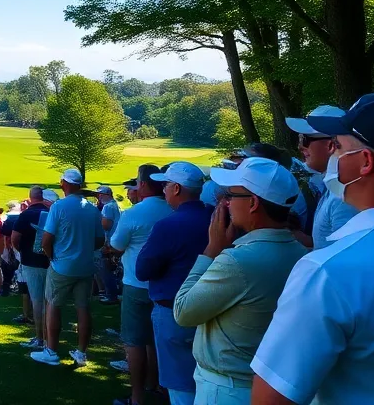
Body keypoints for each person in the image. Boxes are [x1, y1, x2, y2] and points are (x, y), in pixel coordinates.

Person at [250, 93, 374, 405]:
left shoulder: (328, 272)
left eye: (339, 147)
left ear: (365, 162)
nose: (332, 155)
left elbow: (271, 398)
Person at [171, 157, 307, 404]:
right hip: (266, 383)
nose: (225, 203)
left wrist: (211, 250)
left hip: (226, 388)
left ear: (253, 203)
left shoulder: (238, 260)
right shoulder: (300, 252)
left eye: (231, 196)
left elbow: (183, 311)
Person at [135, 162, 214, 405]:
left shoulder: (169, 224)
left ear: (177, 189)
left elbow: (143, 270)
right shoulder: (215, 216)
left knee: (180, 384)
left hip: (174, 312)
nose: (164, 190)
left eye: (167, 185)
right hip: (214, 309)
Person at [107, 166, 172, 405]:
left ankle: (136, 398)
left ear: (143, 184)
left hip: (136, 282)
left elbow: (117, 244)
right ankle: (155, 385)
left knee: (134, 341)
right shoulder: (171, 209)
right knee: (155, 340)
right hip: (166, 284)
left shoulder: (134, 213)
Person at [31, 169, 104, 368]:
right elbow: (99, 240)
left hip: (62, 265)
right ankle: (81, 353)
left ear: (64, 183)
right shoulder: (91, 208)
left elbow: (46, 240)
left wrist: (51, 256)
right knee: (83, 308)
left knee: (53, 306)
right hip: (85, 266)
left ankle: (51, 351)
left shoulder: (59, 206)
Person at [286, 105, 359, 249]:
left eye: (305, 139)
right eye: (299, 139)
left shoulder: (344, 198)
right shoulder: (334, 187)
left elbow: (346, 257)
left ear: (331, 144)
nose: (300, 147)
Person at [12, 187, 52, 349]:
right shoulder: (51, 212)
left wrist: (21, 251)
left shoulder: (26, 214)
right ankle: (50, 338)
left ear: (30, 197)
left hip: (31, 261)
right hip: (51, 261)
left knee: (37, 300)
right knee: (50, 301)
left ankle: (40, 338)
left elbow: (15, 238)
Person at [96, 185, 121, 304]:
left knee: (105, 270)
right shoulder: (114, 205)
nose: (99, 197)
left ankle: (110, 295)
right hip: (113, 241)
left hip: (108, 243)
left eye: (100, 195)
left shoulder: (108, 207)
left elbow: (105, 225)